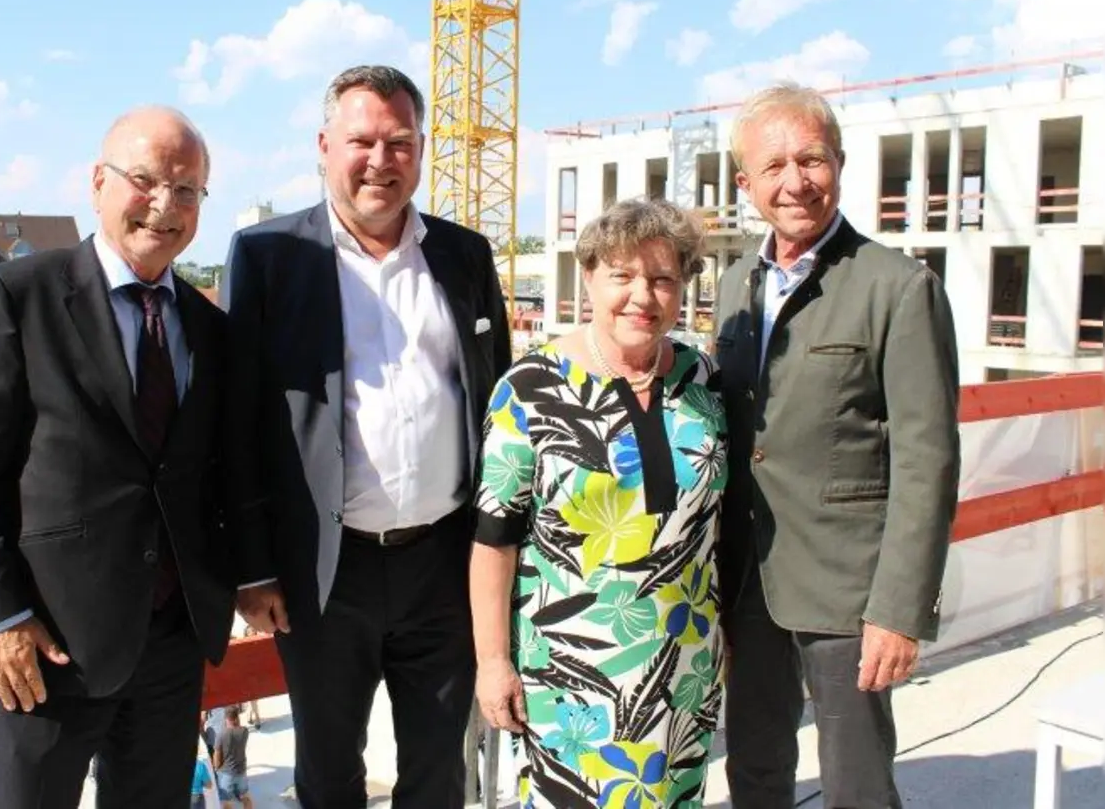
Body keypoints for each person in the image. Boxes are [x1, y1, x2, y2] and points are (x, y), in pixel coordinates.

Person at [221, 63, 513, 808]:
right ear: (324, 145)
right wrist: (252, 568)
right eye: (362, 141)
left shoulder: (463, 255)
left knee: (440, 772)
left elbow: (498, 404)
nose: (381, 160)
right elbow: (240, 421)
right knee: (327, 774)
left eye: (400, 142)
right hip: (324, 574)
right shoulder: (269, 257)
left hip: (444, 566)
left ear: (419, 148)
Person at [0, 105, 237, 808]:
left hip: (168, 649)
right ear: (98, 182)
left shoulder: (207, 328)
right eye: (146, 180)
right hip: (43, 647)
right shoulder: (20, 296)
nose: (165, 205)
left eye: (188, 190)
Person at [714, 82, 960, 808]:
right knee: (754, 769)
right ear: (745, 184)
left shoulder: (898, 287)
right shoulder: (734, 285)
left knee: (856, 784)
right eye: (775, 166)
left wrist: (898, 609)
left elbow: (928, 458)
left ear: (841, 164)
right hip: (747, 581)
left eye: (812, 159)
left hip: (851, 593)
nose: (796, 181)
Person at [470, 198, 727, 808]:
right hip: (571, 679)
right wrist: (492, 663)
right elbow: (493, 542)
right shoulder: (530, 389)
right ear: (589, 277)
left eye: (663, 278)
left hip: (684, 668)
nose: (644, 295)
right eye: (623, 275)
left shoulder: (703, 379)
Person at [212, 705, 255, 809]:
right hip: (241, 770)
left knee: (227, 803)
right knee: (246, 797)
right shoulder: (245, 731)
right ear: (237, 717)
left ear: (226, 718)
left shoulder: (221, 735)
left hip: (226, 773)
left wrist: (216, 768)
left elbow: (217, 756)